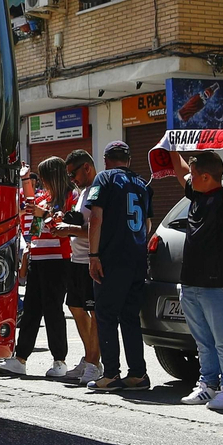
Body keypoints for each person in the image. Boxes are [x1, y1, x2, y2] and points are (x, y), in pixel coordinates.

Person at [167, 148, 223, 410]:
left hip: (217, 284)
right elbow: (180, 169)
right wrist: (170, 143)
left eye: (194, 174)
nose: (189, 178)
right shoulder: (196, 193)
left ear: (206, 176)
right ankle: (208, 384)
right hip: (191, 282)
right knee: (203, 340)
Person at [85, 140, 152, 391]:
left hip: (111, 259)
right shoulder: (142, 184)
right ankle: (137, 374)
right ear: (129, 160)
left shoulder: (104, 179)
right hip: (136, 259)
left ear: (105, 160)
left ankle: (111, 374)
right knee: (130, 317)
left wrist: (93, 255)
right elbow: (146, 224)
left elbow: (96, 217)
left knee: (106, 315)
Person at [3, 157, 73, 378]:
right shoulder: (43, 196)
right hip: (38, 259)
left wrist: (45, 215)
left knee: (53, 310)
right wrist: (24, 179)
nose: (41, 180)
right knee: (32, 310)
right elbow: (34, 225)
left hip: (57, 260)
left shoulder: (70, 196)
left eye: (43, 176)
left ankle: (60, 361)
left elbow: (63, 229)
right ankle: (20, 358)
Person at [53, 149, 102, 383]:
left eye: (73, 173)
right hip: (77, 259)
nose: (72, 179)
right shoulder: (82, 192)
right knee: (75, 307)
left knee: (95, 311)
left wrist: (69, 229)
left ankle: (94, 362)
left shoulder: (98, 191)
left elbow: (97, 229)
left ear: (87, 168)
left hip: (91, 260)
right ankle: (89, 357)